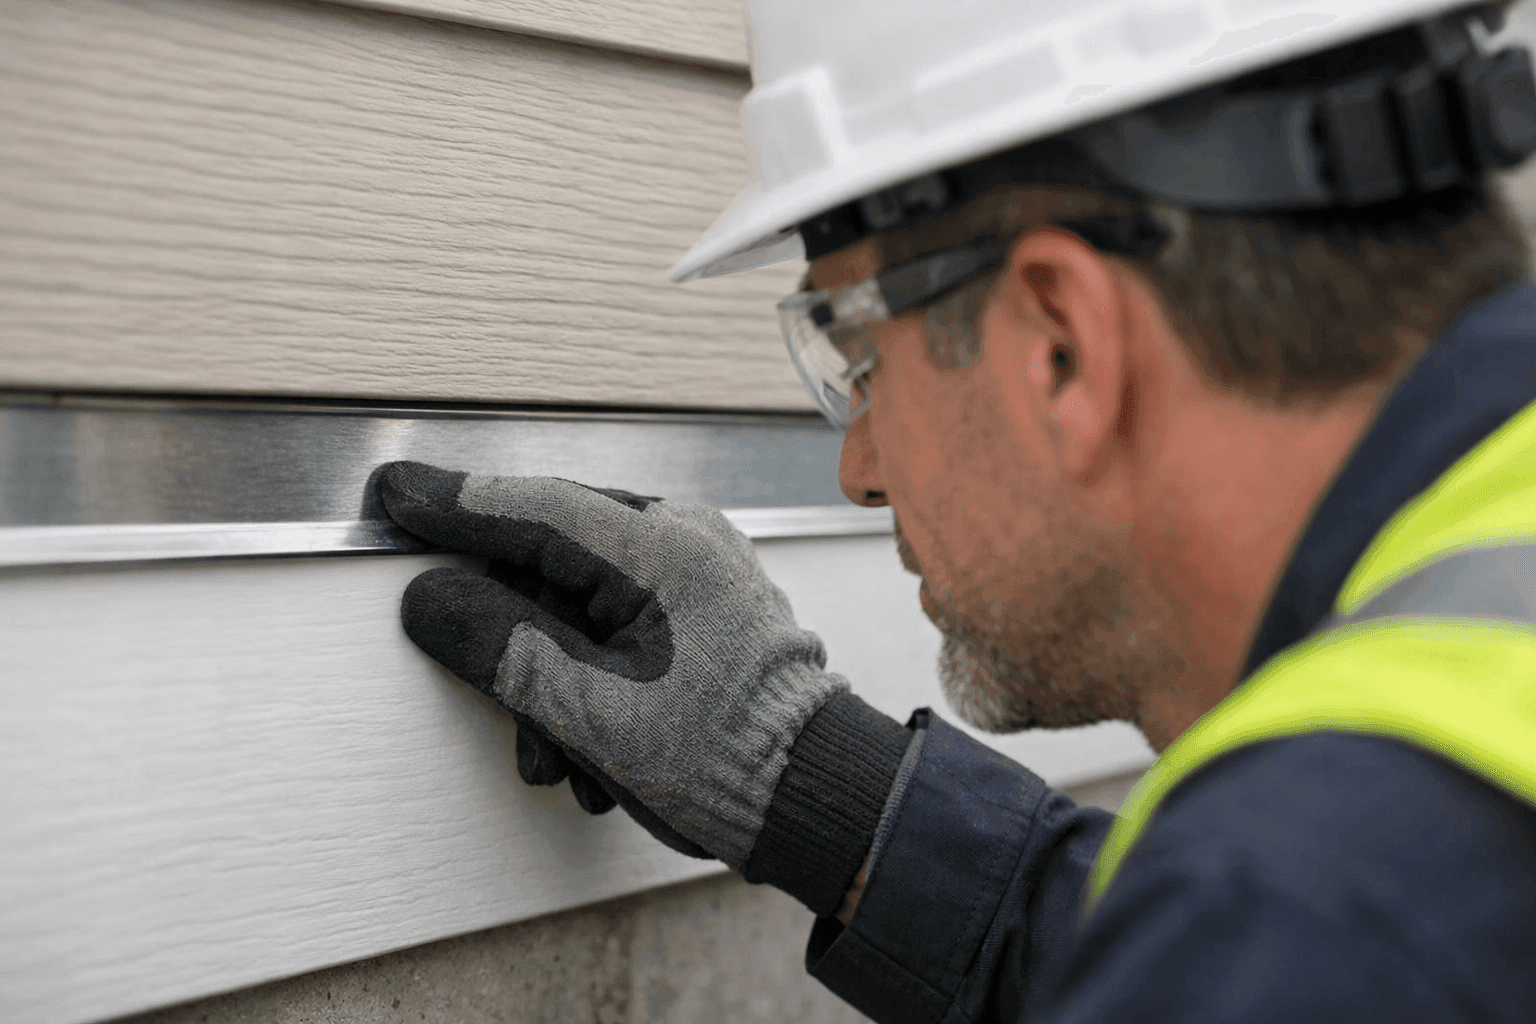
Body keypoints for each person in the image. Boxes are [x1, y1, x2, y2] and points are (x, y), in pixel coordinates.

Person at [377, 2, 1536, 1020]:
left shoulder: (1308, 903)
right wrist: (795, 774)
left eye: (861, 363)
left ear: (1062, 348)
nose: (861, 471)